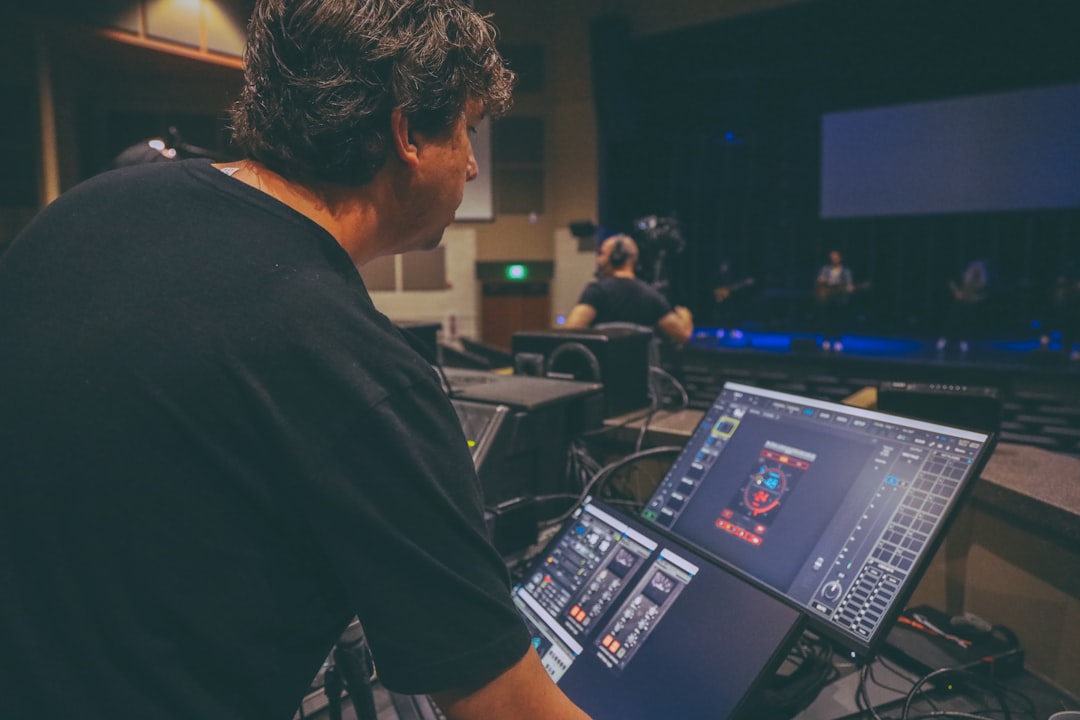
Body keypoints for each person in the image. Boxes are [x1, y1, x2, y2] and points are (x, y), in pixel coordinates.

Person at [0, 2, 591, 720]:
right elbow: (508, 709)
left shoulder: (82, 212)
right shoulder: (353, 369)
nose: (470, 163)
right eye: (466, 131)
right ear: (406, 132)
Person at [564, 234, 694, 345]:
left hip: (603, 372)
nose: (598, 260)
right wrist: (685, 315)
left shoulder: (596, 291)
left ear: (617, 257)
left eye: (602, 254)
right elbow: (683, 335)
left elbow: (571, 331)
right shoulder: (652, 296)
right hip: (639, 373)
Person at [937, 258, 990, 354]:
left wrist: (976, 298)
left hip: (970, 303)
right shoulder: (964, 276)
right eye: (975, 269)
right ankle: (943, 340)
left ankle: (963, 342)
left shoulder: (982, 281)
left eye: (978, 269)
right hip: (960, 301)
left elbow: (986, 294)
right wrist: (956, 292)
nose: (976, 271)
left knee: (966, 322)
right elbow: (951, 282)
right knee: (952, 320)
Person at [814, 249, 855, 351]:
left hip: (840, 297)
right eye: (832, 257)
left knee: (839, 320)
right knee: (826, 319)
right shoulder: (825, 269)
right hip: (827, 297)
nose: (834, 259)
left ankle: (838, 341)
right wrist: (821, 280)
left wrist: (849, 287)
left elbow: (849, 283)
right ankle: (826, 340)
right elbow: (820, 279)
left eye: (836, 257)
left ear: (840, 258)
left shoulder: (845, 270)